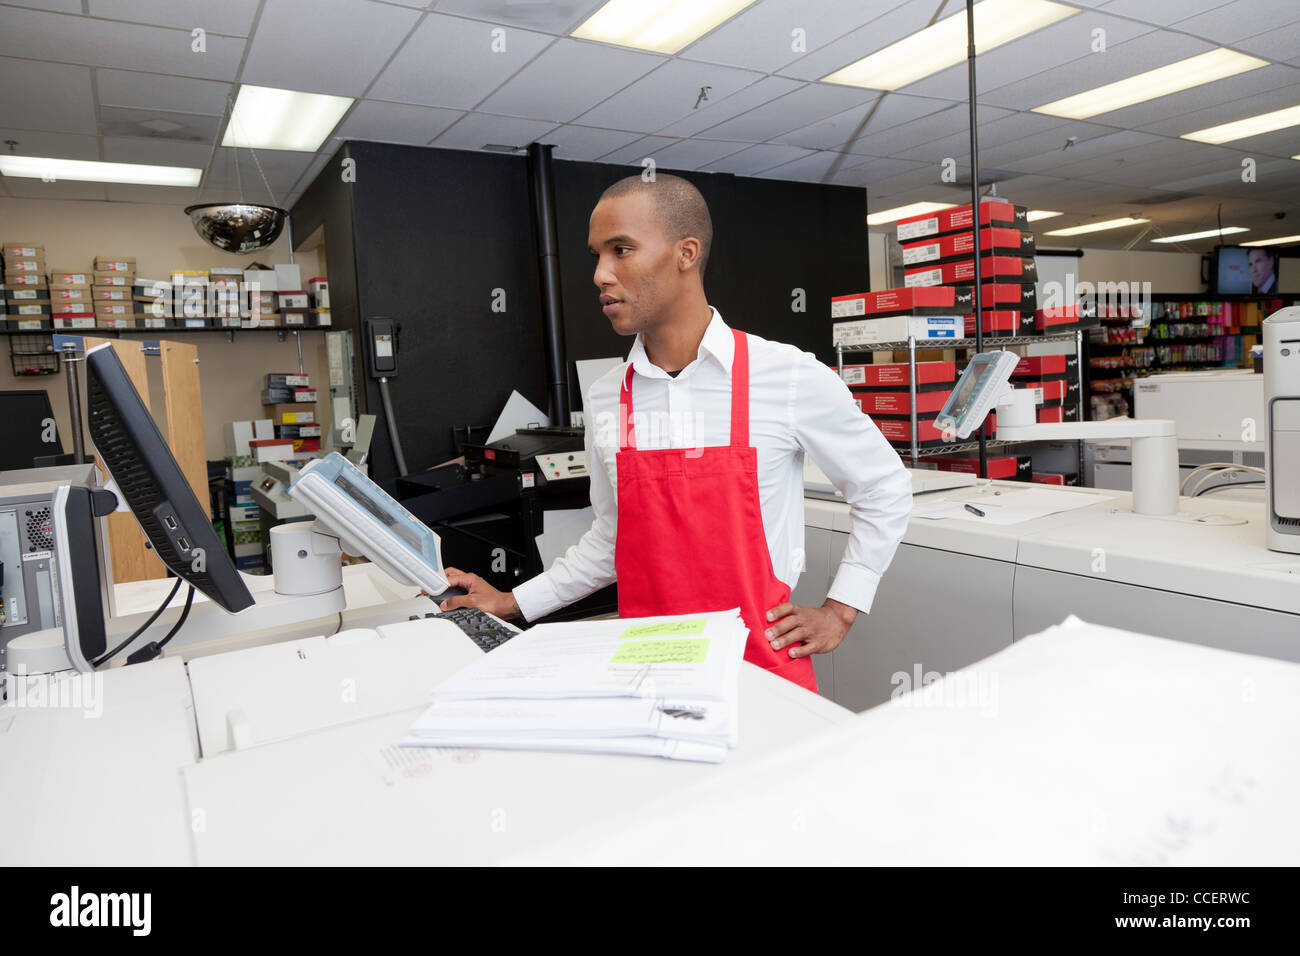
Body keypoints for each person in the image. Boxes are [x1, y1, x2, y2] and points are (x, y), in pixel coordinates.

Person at [440, 173, 912, 691]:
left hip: (761, 672)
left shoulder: (787, 376)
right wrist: (513, 601)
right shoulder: (606, 399)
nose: (601, 274)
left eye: (622, 250)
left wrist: (841, 608)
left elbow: (884, 488)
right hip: (651, 671)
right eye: (597, 255)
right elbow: (611, 539)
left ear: (686, 253)